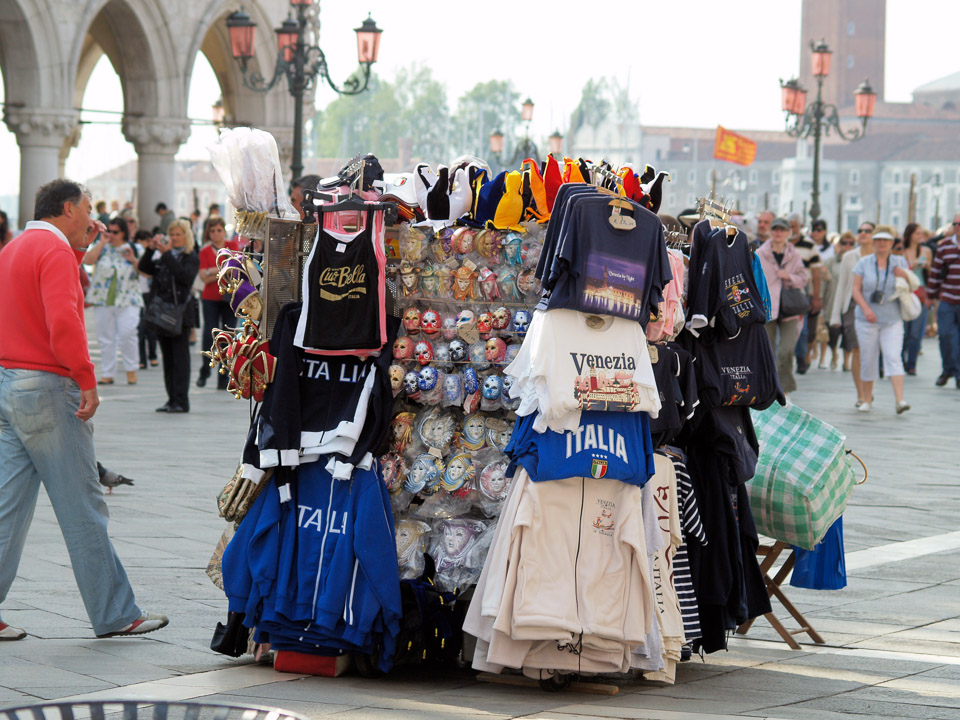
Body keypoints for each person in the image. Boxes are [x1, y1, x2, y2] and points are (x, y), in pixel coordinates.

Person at [0, 178, 168, 640]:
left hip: (8, 380)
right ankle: (116, 613)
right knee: (83, 506)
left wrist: (78, 251)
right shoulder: (51, 252)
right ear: (69, 208)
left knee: (6, 507)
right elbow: (63, 318)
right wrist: (86, 378)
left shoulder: (15, 248)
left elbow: (36, 300)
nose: (94, 219)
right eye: (89, 209)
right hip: (47, 386)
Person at [138, 219, 199, 413]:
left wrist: (166, 255)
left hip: (180, 314)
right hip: (161, 313)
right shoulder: (163, 256)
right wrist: (150, 249)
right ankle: (171, 399)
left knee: (180, 358)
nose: (174, 238)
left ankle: (182, 400)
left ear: (186, 236)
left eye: (178, 234)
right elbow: (145, 268)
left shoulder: (191, 257)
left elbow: (184, 276)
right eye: (172, 234)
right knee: (168, 359)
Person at [850, 226, 912, 414]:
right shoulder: (864, 263)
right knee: (868, 359)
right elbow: (855, 289)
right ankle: (867, 399)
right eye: (878, 240)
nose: (882, 244)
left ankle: (900, 400)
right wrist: (866, 308)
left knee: (893, 356)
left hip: (892, 318)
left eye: (886, 240)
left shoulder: (899, 261)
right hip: (866, 319)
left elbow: (911, 286)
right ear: (874, 242)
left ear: (892, 243)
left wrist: (906, 275)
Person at [83, 217, 143, 385]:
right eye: (109, 231)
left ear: (123, 232)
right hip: (103, 299)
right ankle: (108, 373)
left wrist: (133, 260)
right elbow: (87, 261)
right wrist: (101, 242)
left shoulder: (134, 248)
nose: (111, 235)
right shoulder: (102, 248)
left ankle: (131, 369)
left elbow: (146, 271)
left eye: (115, 232)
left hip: (129, 298)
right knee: (105, 337)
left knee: (127, 333)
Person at [756, 217, 809, 400]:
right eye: (776, 229)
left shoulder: (794, 254)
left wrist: (788, 276)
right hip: (767, 306)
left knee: (787, 349)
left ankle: (784, 388)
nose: (779, 233)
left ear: (788, 233)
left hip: (789, 307)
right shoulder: (760, 253)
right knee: (767, 350)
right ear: (772, 231)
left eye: (782, 230)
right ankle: (769, 387)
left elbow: (803, 278)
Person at [830, 221, 875, 407]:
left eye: (868, 231)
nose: (863, 233)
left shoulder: (880, 255)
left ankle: (869, 390)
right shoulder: (850, 256)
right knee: (856, 350)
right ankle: (861, 395)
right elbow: (841, 286)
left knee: (870, 352)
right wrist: (835, 315)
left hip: (875, 308)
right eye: (860, 230)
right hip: (851, 307)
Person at [196, 217, 239, 389]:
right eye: (212, 231)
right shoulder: (205, 251)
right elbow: (202, 277)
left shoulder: (233, 246)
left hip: (229, 298)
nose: (216, 234)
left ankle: (225, 374)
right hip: (210, 298)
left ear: (224, 231)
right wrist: (223, 269)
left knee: (228, 335)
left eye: (219, 230)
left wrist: (212, 271)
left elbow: (236, 270)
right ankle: (205, 369)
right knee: (209, 334)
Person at [926, 214, 960, 388]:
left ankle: (958, 374)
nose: (958, 227)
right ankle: (948, 369)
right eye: (956, 224)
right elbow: (936, 274)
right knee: (945, 336)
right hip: (947, 298)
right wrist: (930, 296)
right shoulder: (944, 246)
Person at [789, 215, 823, 374]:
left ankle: (801, 357)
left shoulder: (809, 245)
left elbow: (816, 272)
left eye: (794, 226)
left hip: (803, 291)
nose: (791, 230)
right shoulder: (781, 243)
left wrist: (816, 296)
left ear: (800, 226)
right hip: (782, 291)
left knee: (802, 329)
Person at [819, 231, 855, 371]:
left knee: (849, 333)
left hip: (849, 302)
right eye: (844, 243)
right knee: (832, 332)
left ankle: (847, 361)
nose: (847, 246)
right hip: (832, 301)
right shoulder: (830, 262)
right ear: (839, 245)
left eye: (851, 243)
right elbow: (824, 283)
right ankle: (834, 353)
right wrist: (821, 299)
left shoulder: (858, 261)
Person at [133, 229, 159, 369]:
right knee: (140, 328)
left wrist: (135, 263)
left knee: (150, 326)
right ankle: (142, 358)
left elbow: (150, 273)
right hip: (137, 293)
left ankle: (152, 355)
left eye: (148, 241)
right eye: (143, 241)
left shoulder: (153, 254)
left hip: (149, 293)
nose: (145, 244)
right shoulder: (135, 250)